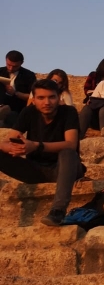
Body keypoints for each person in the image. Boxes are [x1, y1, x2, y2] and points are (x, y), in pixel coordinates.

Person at [0, 79, 82, 226]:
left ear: (59, 97)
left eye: (51, 97)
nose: (47, 102)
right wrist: (15, 148)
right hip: (36, 169)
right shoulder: (28, 112)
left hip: (64, 169)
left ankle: (58, 211)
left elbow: (71, 144)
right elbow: (6, 141)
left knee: (68, 153)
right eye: (41, 98)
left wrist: (36, 146)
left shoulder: (69, 112)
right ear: (34, 100)